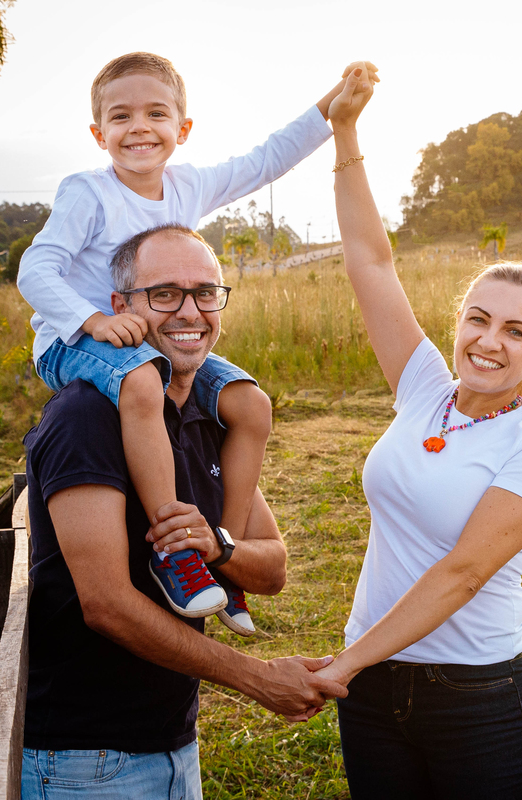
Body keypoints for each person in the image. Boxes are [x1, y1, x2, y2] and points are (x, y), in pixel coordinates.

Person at [17, 52, 378, 632]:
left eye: (156, 113)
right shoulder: (88, 193)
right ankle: (174, 553)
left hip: (150, 338)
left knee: (249, 403)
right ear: (98, 133)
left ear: (182, 130)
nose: (139, 127)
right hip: (74, 341)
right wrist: (92, 321)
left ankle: (221, 552)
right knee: (142, 378)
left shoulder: (187, 186)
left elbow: (265, 161)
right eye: (121, 116)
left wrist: (330, 110)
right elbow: (35, 271)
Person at [20, 224, 347, 799]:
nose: (189, 312)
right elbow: (106, 606)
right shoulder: (87, 418)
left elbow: (271, 569)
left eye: (205, 292)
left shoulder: (204, 417)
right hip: (86, 760)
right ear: (120, 306)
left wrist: (218, 545)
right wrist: (257, 678)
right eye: (164, 294)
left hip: (174, 743)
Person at [312, 69, 522, 799]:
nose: (490, 342)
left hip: (476, 699)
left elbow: (462, 574)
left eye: (516, 331)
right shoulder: (425, 387)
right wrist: (345, 130)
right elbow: (370, 261)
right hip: (372, 689)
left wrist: (344, 663)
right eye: (478, 319)